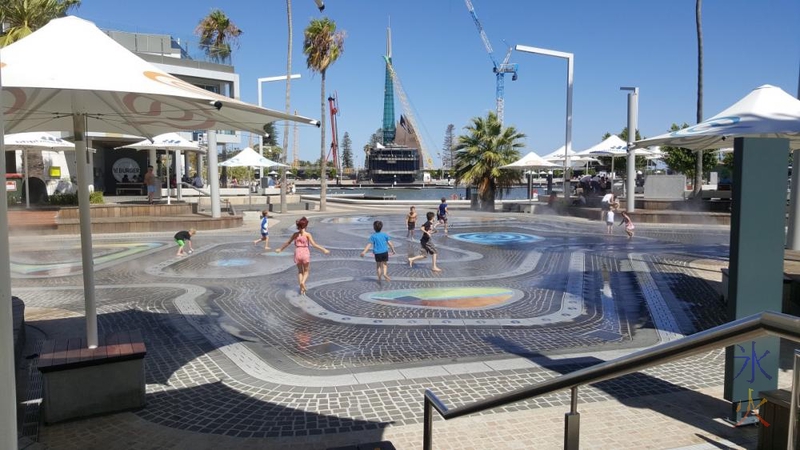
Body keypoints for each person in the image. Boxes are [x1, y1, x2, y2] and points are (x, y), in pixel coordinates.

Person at [276, 217, 330, 295]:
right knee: (306, 271)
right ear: (306, 226)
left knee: (300, 271)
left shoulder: (295, 234)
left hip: (297, 252)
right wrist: (324, 249)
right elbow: (314, 244)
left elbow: (288, 242)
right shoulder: (307, 234)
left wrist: (280, 249)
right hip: (305, 252)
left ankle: (301, 289)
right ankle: (303, 282)